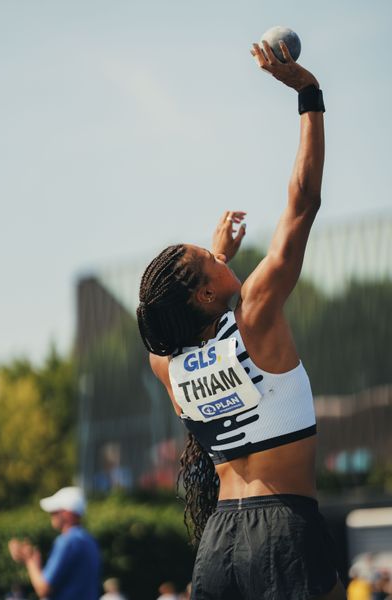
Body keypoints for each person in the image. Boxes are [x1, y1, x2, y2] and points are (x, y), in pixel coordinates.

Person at [137, 39, 346, 600]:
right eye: (209, 260)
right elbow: (303, 205)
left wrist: (217, 263)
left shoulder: (168, 366)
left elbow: (178, 328)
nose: (217, 252)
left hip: (220, 545)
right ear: (206, 294)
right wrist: (308, 93)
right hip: (284, 533)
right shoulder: (255, 317)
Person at [8, 486, 101, 600]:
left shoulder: (67, 541)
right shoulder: (89, 541)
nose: (51, 515)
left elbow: (43, 588)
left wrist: (29, 560)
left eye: (55, 512)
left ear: (67, 513)